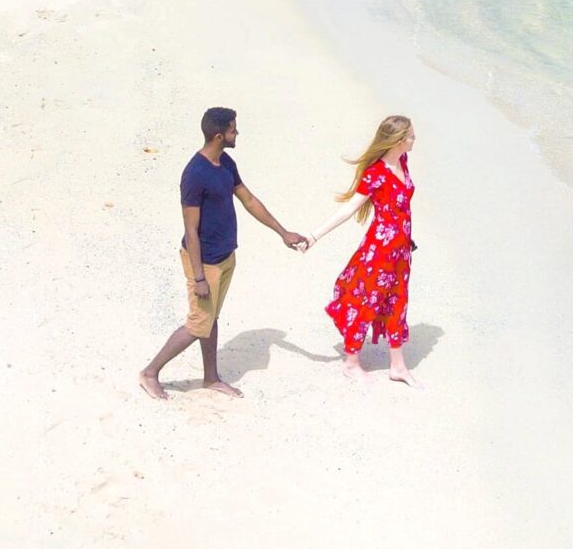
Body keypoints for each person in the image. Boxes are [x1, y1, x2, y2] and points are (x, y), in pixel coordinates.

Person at [139, 106, 309, 400]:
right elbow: (190, 230)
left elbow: (249, 200)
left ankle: (211, 378)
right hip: (203, 262)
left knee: (210, 318)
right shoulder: (194, 174)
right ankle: (150, 372)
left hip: (225, 257)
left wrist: (283, 233)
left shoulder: (226, 163)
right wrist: (199, 276)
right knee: (196, 325)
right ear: (219, 135)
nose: (237, 133)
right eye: (233, 129)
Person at [310, 114, 419, 385]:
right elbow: (348, 210)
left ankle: (398, 366)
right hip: (380, 251)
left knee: (398, 302)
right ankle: (351, 363)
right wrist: (314, 236)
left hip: (401, 251)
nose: (414, 139)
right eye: (411, 136)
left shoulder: (402, 162)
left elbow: (402, 209)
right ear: (398, 140)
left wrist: (407, 239)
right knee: (366, 301)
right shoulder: (376, 174)